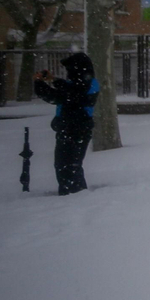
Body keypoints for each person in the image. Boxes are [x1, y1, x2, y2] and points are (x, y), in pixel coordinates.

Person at [33, 52, 99, 195]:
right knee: (67, 166)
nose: (68, 72)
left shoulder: (86, 85)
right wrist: (50, 81)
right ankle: (74, 193)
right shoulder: (83, 83)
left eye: (70, 69)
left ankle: (73, 195)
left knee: (68, 166)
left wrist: (42, 84)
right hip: (71, 129)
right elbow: (66, 91)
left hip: (75, 130)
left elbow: (64, 95)